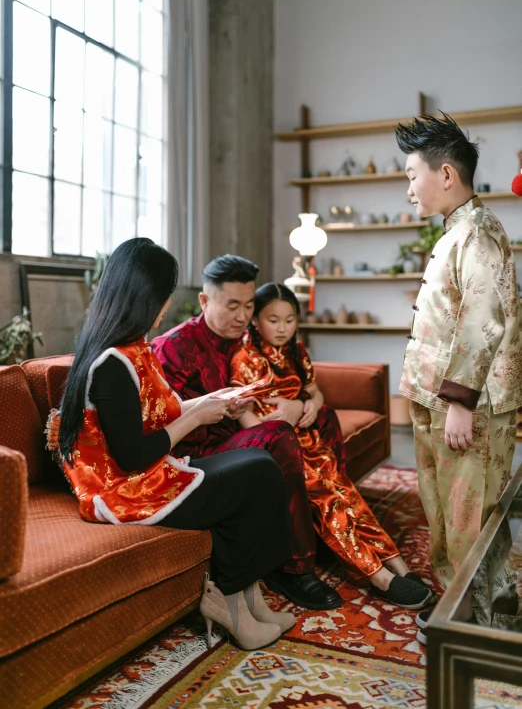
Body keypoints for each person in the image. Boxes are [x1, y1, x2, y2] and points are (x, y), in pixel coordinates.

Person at [46, 238, 296, 651]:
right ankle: (231, 604)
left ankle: (249, 596)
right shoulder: (110, 364)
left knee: (258, 461)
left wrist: (213, 401)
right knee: (256, 474)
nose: (166, 307)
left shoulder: (135, 350)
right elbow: (131, 457)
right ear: (144, 298)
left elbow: (162, 410)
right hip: (125, 492)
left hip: (152, 475)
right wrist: (197, 417)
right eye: (163, 297)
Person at [151, 255, 342, 610]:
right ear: (205, 301)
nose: (242, 316)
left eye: (249, 305)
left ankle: (326, 526)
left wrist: (303, 404)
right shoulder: (174, 347)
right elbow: (156, 421)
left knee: (325, 416)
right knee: (277, 436)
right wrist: (209, 409)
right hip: (199, 452)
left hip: (238, 437)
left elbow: (294, 382)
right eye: (232, 306)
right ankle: (294, 568)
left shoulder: (254, 338)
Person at [395, 113, 522, 642]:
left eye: (411, 175)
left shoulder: (479, 232)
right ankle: (477, 606)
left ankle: (472, 617)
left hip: (468, 404)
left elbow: (483, 316)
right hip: (440, 398)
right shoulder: (459, 229)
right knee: (448, 511)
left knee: (471, 514)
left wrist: (462, 402)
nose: (408, 190)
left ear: (445, 174)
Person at [229, 283, 433, 610]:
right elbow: (245, 418)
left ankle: (399, 565)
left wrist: (308, 403)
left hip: (311, 442)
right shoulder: (245, 359)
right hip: (281, 450)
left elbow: (316, 391)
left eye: (289, 319)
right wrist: (278, 432)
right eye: (273, 320)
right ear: (256, 321)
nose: (282, 328)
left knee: (346, 493)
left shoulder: (297, 350)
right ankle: (378, 575)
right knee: (328, 501)